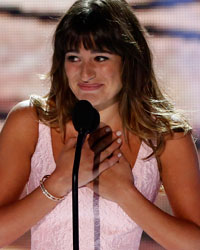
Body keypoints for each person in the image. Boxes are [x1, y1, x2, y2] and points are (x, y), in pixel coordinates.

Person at [0, 0, 200, 249]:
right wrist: (59, 182)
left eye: (100, 57)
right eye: (74, 58)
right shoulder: (30, 121)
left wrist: (125, 194)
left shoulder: (167, 136)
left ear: (129, 61)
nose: (85, 73)